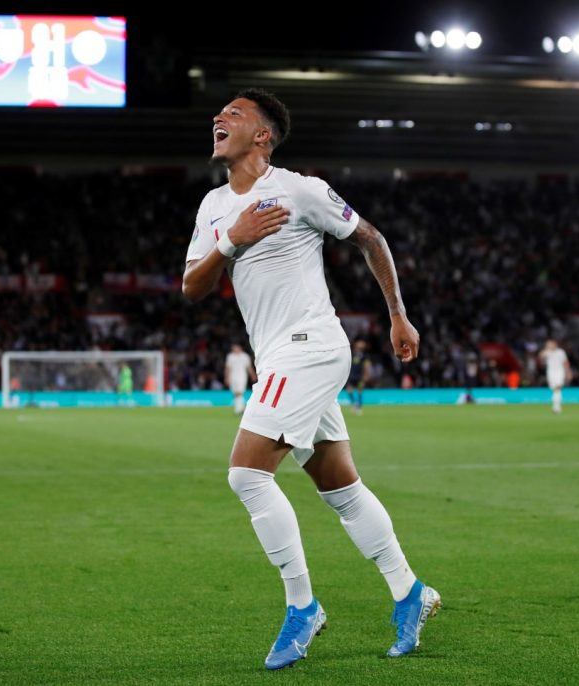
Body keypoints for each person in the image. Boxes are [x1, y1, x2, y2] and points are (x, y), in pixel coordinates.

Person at [181, 89, 439, 670]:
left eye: (236, 114)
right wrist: (232, 238)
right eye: (220, 112)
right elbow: (191, 288)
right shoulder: (213, 206)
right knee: (340, 488)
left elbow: (371, 237)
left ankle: (303, 606)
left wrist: (397, 312)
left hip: (311, 347)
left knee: (246, 474)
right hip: (275, 356)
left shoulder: (300, 189)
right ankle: (409, 591)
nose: (220, 117)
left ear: (264, 135)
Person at [539, 339, 570, 413]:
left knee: (558, 388)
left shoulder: (561, 352)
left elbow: (565, 362)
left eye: (551, 344)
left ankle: (556, 407)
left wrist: (568, 372)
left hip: (560, 372)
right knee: (554, 389)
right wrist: (546, 349)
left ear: (555, 344)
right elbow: (540, 357)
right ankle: (556, 406)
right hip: (550, 372)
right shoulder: (547, 352)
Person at [225, 343, 257, 415]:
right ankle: (241, 408)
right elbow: (228, 368)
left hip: (242, 376)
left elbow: (249, 367)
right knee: (235, 393)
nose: (234, 349)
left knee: (239, 392)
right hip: (232, 377)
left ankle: (238, 410)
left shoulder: (245, 356)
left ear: (239, 348)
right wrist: (227, 378)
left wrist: (253, 375)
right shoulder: (230, 356)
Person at [346, 340, 372, 415]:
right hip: (351, 376)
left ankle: (359, 408)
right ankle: (354, 405)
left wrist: (366, 375)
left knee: (360, 391)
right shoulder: (352, 354)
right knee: (349, 391)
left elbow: (367, 366)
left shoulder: (365, 356)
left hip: (360, 377)